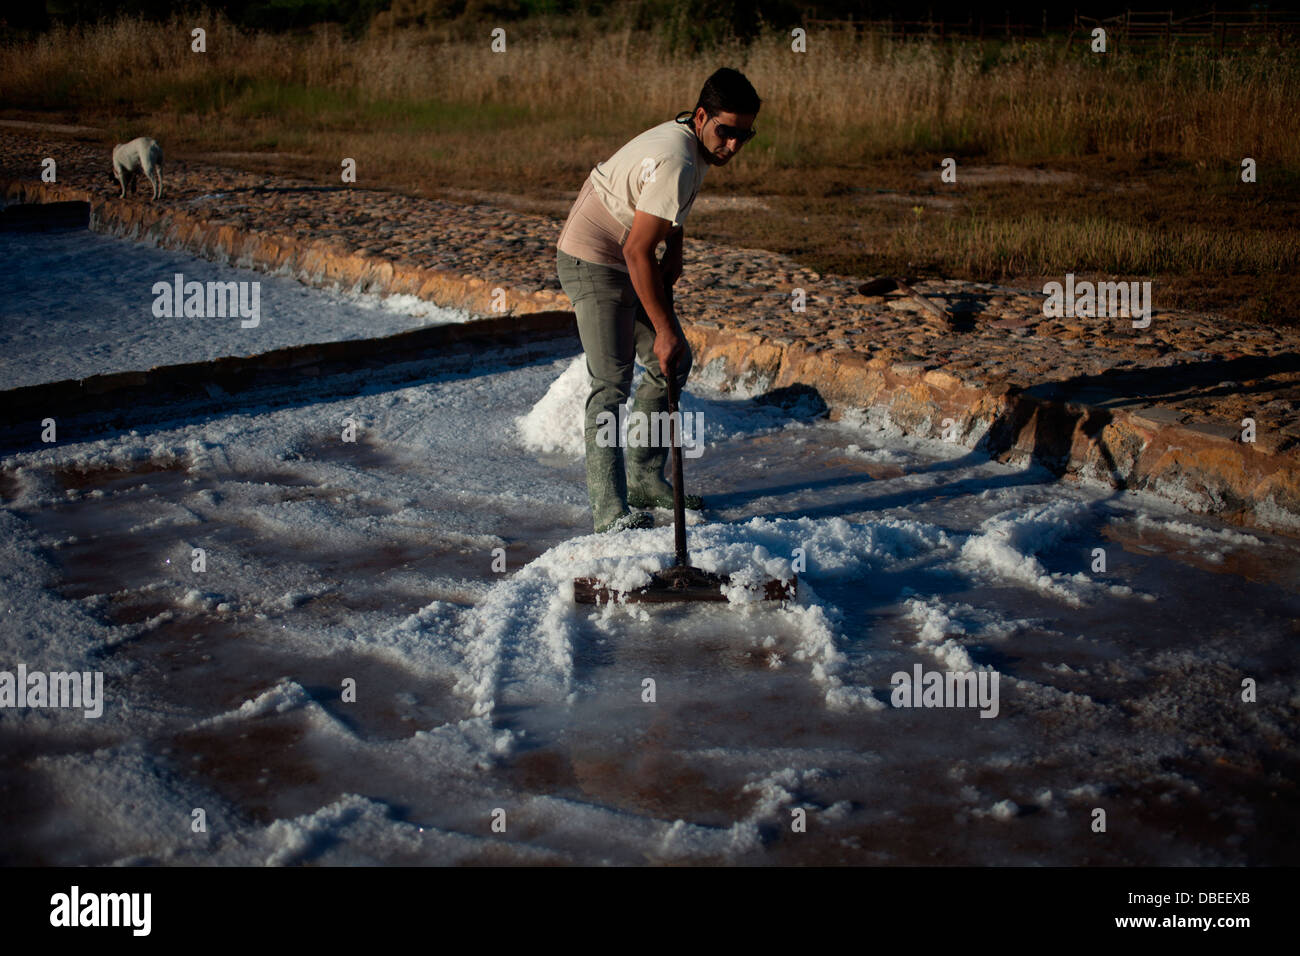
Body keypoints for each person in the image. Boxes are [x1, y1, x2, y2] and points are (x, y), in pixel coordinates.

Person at [555, 67, 761, 533]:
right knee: (611, 383)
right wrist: (664, 330)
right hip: (593, 258)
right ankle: (610, 511)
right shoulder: (680, 159)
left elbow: (663, 209)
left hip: (628, 251)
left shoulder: (692, 141)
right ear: (703, 116)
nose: (733, 146)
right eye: (726, 132)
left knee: (671, 362)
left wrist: (678, 248)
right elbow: (635, 251)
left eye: (745, 136)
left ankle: (646, 480)